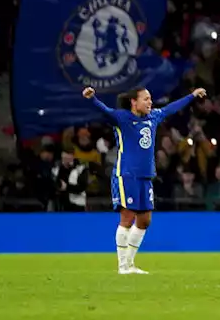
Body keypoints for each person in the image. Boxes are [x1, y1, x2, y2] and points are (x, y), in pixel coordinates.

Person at [83, 85, 207, 274]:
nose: (150, 102)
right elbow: (104, 111)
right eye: (146, 99)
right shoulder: (122, 118)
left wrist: (191, 95)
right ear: (134, 102)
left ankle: (130, 264)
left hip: (145, 175)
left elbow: (171, 108)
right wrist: (92, 99)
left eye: (150, 99)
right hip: (126, 175)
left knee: (145, 220)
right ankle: (122, 266)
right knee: (127, 217)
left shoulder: (153, 117)